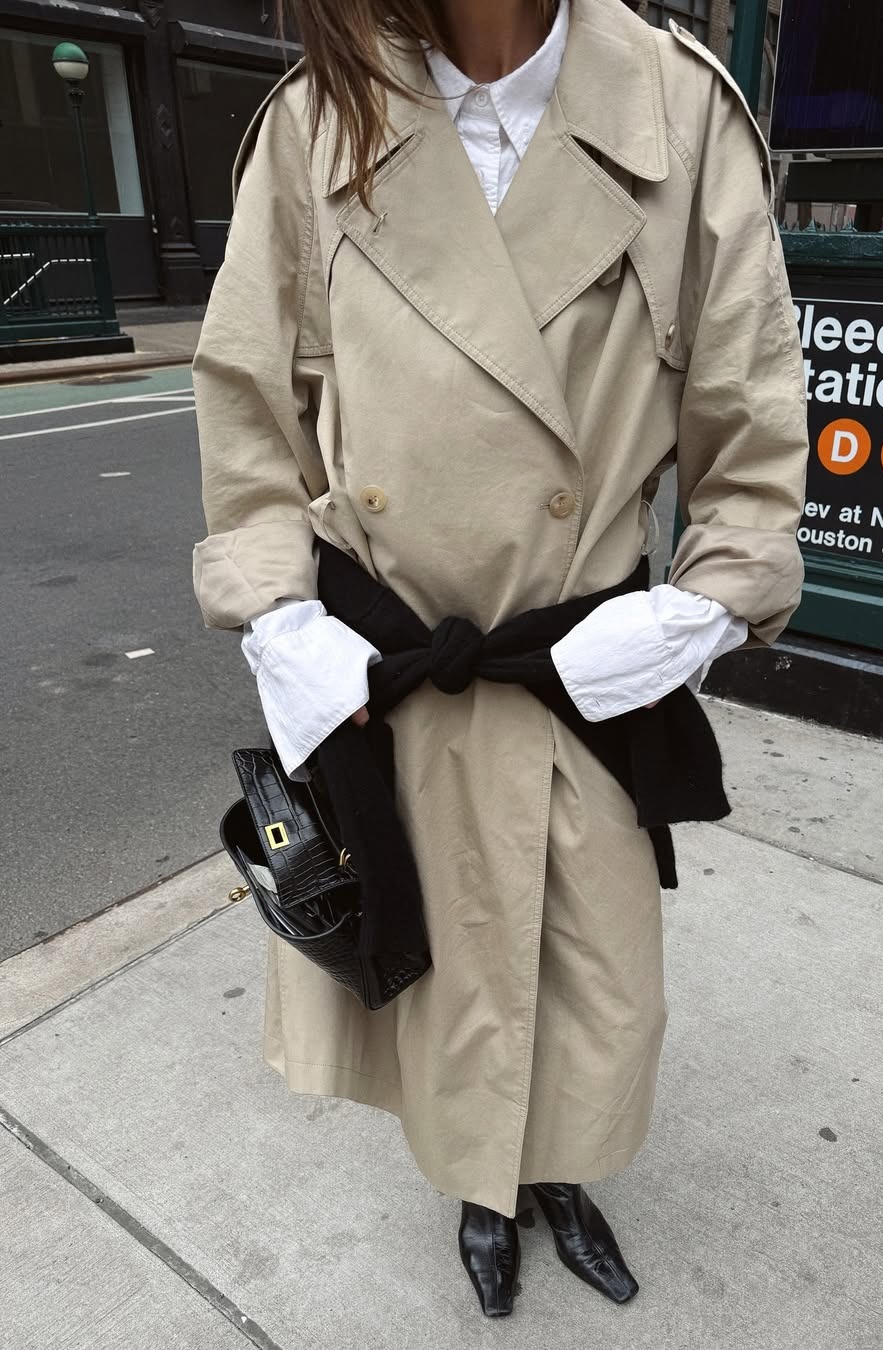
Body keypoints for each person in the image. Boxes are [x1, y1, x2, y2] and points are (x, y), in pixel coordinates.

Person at [192, 0, 808, 1318]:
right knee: (451, 970)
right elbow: (246, 409)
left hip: (574, 666)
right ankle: (485, 1191)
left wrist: (693, 616)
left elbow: (750, 431)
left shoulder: (680, 113)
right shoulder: (314, 121)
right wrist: (280, 620)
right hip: (388, 669)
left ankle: (559, 1172)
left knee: (588, 970)